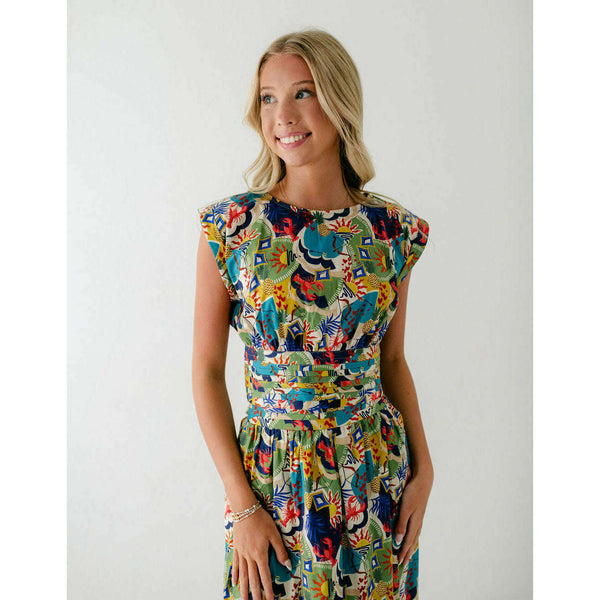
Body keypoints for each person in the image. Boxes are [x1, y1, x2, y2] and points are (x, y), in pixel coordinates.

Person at [192, 28, 434, 600]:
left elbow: (392, 361)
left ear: (339, 99)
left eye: (303, 92)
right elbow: (206, 372)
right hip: (270, 484)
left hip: (375, 476)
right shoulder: (230, 230)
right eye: (268, 98)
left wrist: (424, 471)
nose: (282, 115)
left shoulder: (392, 233)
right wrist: (242, 505)